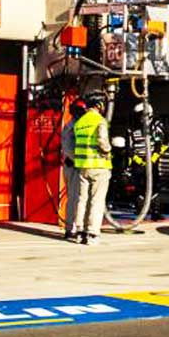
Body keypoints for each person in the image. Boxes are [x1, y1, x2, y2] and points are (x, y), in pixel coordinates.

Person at [68, 94, 113, 244]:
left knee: (81, 200)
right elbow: (102, 141)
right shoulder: (100, 120)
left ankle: (79, 231)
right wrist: (108, 150)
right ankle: (92, 233)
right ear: (99, 105)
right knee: (97, 200)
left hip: (83, 166)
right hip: (99, 166)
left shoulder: (80, 122)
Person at [59, 99, 83, 240]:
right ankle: (72, 228)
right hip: (74, 166)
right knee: (75, 198)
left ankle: (74, 227)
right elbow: (68, 148)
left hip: (75, 164)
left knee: (77, 198)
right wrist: (78, 160)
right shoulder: (72, 126)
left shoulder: (75, 124)